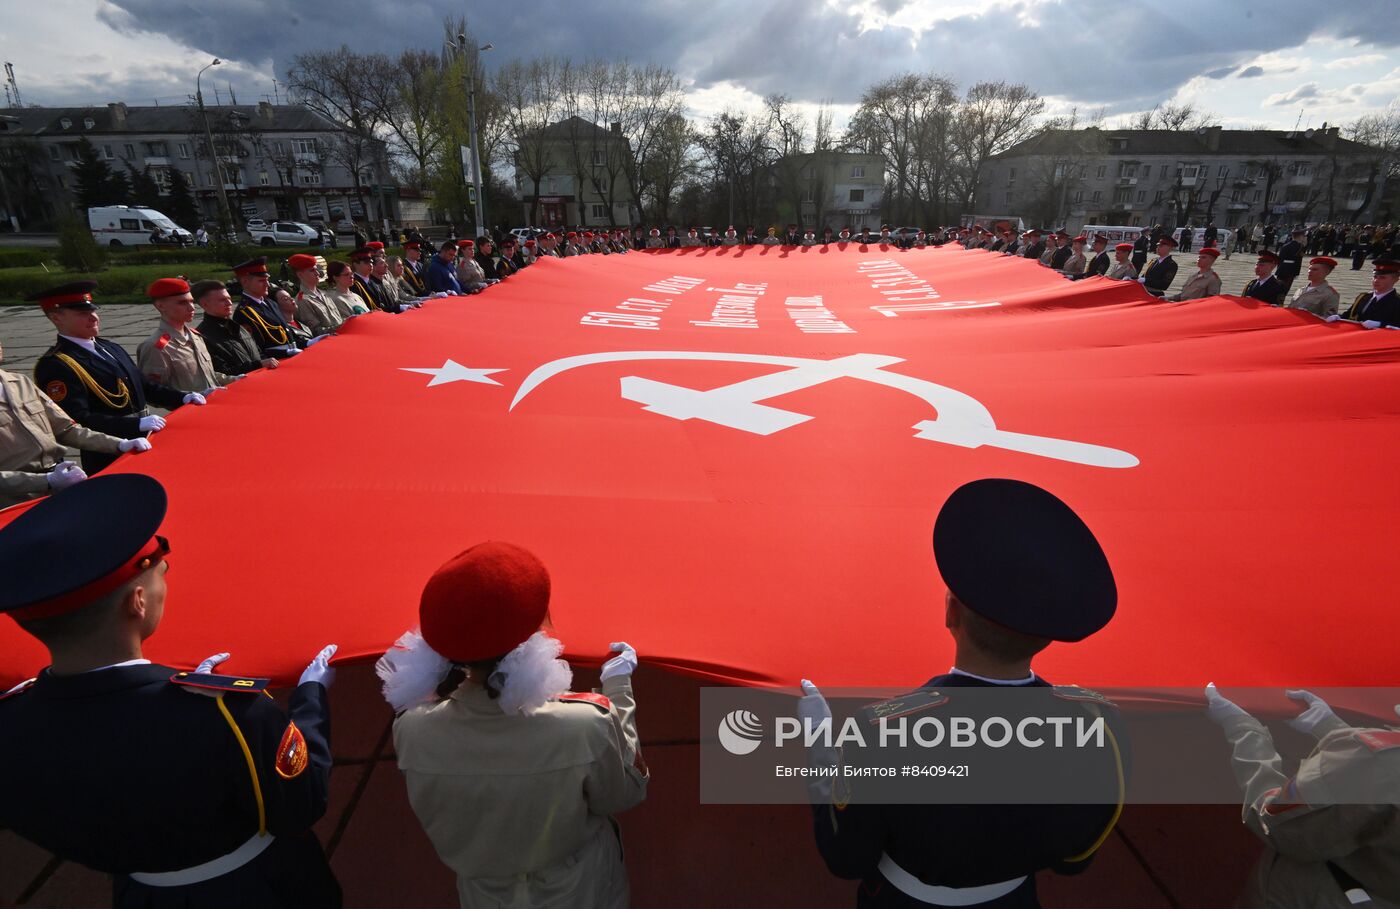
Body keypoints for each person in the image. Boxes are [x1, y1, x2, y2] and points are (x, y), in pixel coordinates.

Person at [0, 474, 342, 909]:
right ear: (138, 601)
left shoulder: (9, 725)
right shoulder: (229, 714)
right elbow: (302, 802)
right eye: (162, 572)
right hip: (259, 888)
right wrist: (310, 698)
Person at [801, 479, 1125, 908]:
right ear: (1048, 638)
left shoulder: (882, 731)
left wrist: (821, 751)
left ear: (951, 611)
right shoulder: (1099, 728)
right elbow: (1073, 858)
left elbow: (845, 856)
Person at [377, 541, 649, 908]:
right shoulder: (584, 723)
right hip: (580, 890)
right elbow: (625, 793)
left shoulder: (411, 730)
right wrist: (618, 689)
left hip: (484, 895)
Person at [1204, 684, 1400, 908]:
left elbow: (1274, 821)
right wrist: (1331, 729)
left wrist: (1243, 729)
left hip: (1318, 895)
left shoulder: (1380, 762)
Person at [30, 282, 204, 474]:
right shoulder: (57, 364)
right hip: (109, 451)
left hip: (146, 438)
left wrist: (183, 397)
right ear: (56, 318)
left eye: (94, 311)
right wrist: (133, 425)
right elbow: (76, 419)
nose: (93, 317)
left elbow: (144, 385)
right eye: (82, 314)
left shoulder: (110, 347)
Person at [1, 335, 149, 508]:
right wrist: (47, 481)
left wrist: (119, 444)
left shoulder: (19, 382)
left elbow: (66, 429)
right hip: (16, 502)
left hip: (61, 485)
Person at [136, 278, 238, 393]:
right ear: (161, 306)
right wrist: (189, 397)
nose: (192, 308)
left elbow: (205, 374)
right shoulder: (156, 347)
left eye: (191, 301)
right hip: (190, 409)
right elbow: (153, 391)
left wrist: (233, 380)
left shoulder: (195, 336)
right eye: (182, 303)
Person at [192, 280, 280, 378]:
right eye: (222, 300)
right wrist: (257, 365)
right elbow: (222, 373)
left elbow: (259, 355)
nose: (229, 303)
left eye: (229, 298)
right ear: (204, 304)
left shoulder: (239, 328)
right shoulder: (203, 337)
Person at [230, 258, 303, 358]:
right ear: (245, 282)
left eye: (267, 280)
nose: (267, 285)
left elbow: (287, 332)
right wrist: (286, 353)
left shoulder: (270, 302)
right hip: (276, 362)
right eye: (261, 281)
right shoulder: (245, 312)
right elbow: (256, 349)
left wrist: (306, 343)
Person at [287, 254, 346, 336]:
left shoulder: (324, 294)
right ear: (300, 275)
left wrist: (348, 321)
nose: (317, 273)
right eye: (312, 270)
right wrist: (342, 326)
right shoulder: (303, 301)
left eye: (316, 270)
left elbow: (338, 319)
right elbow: (315, 332)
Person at [1344, 258, 1400, 328]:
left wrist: (1380, 324)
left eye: (1382, 278)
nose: (1376, 280)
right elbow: (1348, 316)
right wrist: (1337, 318)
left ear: (1395, 279)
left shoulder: (1397, 302)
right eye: (1375, 277)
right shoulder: (1363, 297)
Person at [1277, 228, 1306, 296]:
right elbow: (1297, 256)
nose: (1304, 238)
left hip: (1283, 270)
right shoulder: (1297, 246)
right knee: (1284, 290)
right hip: (1289, 270)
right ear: (1300, 236)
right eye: (1303, 236)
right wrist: (1303, 246)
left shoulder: (1287, 245)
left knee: (1280, 290)